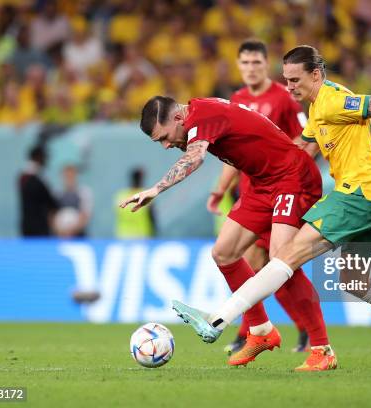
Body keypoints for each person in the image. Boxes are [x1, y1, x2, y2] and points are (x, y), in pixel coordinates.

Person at [172, 45, 371, 366]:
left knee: (285, 255)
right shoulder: (318, 109)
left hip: (357, 194)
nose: (289, 87)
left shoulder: (333, 99)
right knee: (355, 283)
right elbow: (300, 149)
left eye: (294, 79)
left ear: (315, 74)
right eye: (285, 80)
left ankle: (218, 319)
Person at [119, 95, 335, 371]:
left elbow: (194, 158)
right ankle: (260, 331)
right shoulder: (200, 115)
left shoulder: (202, 116)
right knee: (224, 252)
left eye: (164, 137)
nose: (166, 145)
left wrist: (156, 189)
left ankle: (321, 348)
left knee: (282, 261)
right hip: (261, 183)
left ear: (177, 118)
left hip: (291, 177)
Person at [207, 39, 317, 354]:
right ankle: (263, 331)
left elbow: (308, 138)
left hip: (282, 191)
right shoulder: (237, 99)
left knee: (275, 265)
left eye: (257, 62)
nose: (251, 68)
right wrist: (220, 189)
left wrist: (291, 173)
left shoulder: (283, 98)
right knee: (258, 265)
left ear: (266, 65)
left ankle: (269, 331)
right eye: (245, 63)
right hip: (252, 195)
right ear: (238, 66)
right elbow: (233, 154)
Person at [18, 145, 59, 237]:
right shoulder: (37, 179)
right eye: (44, 157)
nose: (46, 160)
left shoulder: (22, 177)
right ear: (38, 157)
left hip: (27, 225)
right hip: (39, 227)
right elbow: (51, 202)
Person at [114, 167, 156, 239]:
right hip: (142, 237)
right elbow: (152, 217)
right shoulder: (146, 195)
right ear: (141, 179)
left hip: (123, 236)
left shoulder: (121, 195)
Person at [54, 164, 93, 238]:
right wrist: (60, 230)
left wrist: (72, 230)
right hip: (60, 235)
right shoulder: (56, 193)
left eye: (71, 176)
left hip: (79, 235)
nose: (69, 178)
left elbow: (86, 214)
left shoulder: (84, 192)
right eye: (67, 176)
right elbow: (52, 214)